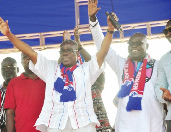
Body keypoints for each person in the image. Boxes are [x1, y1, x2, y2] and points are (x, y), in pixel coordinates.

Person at [0, 12, 114, 131]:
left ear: (77, 54)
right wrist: (9, 34)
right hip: (56, 124)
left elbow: (102, 52)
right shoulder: (51, 68)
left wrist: (110, 30)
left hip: (83, 124)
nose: (65, 53)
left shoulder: (86, 70)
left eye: (69, 50)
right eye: (62, 51)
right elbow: (30, 52)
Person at [88, 0, 165, 132]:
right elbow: (103, 47)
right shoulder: (121, 64)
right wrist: (93, 20)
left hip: (152, 125)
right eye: (131, 43)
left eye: (139, 43)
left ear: (147, 46)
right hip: (124, 126)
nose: (134, 45)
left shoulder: (159, 65)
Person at [72, 27, 113, 132]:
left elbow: (94, 62)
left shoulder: (96, 83)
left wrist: (79, 45)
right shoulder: (72, 87)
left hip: (101, 127)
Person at [4, 53, 46, 132]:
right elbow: (10, 112)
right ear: (21, 62)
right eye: (25, 57)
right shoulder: (14, 83)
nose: (28, 59)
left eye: (30, 56)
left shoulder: (46, 79)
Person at [155, 19, 171, 132]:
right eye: (166, 32)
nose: (168, 34)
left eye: (170, 30)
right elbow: (159, 86)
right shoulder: (164, 59)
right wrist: (163, 95)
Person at [0, 57, 19, 131]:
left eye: (11, 67)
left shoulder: (24, 88)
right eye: (4, 68)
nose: (7, 70)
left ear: (18, 69)